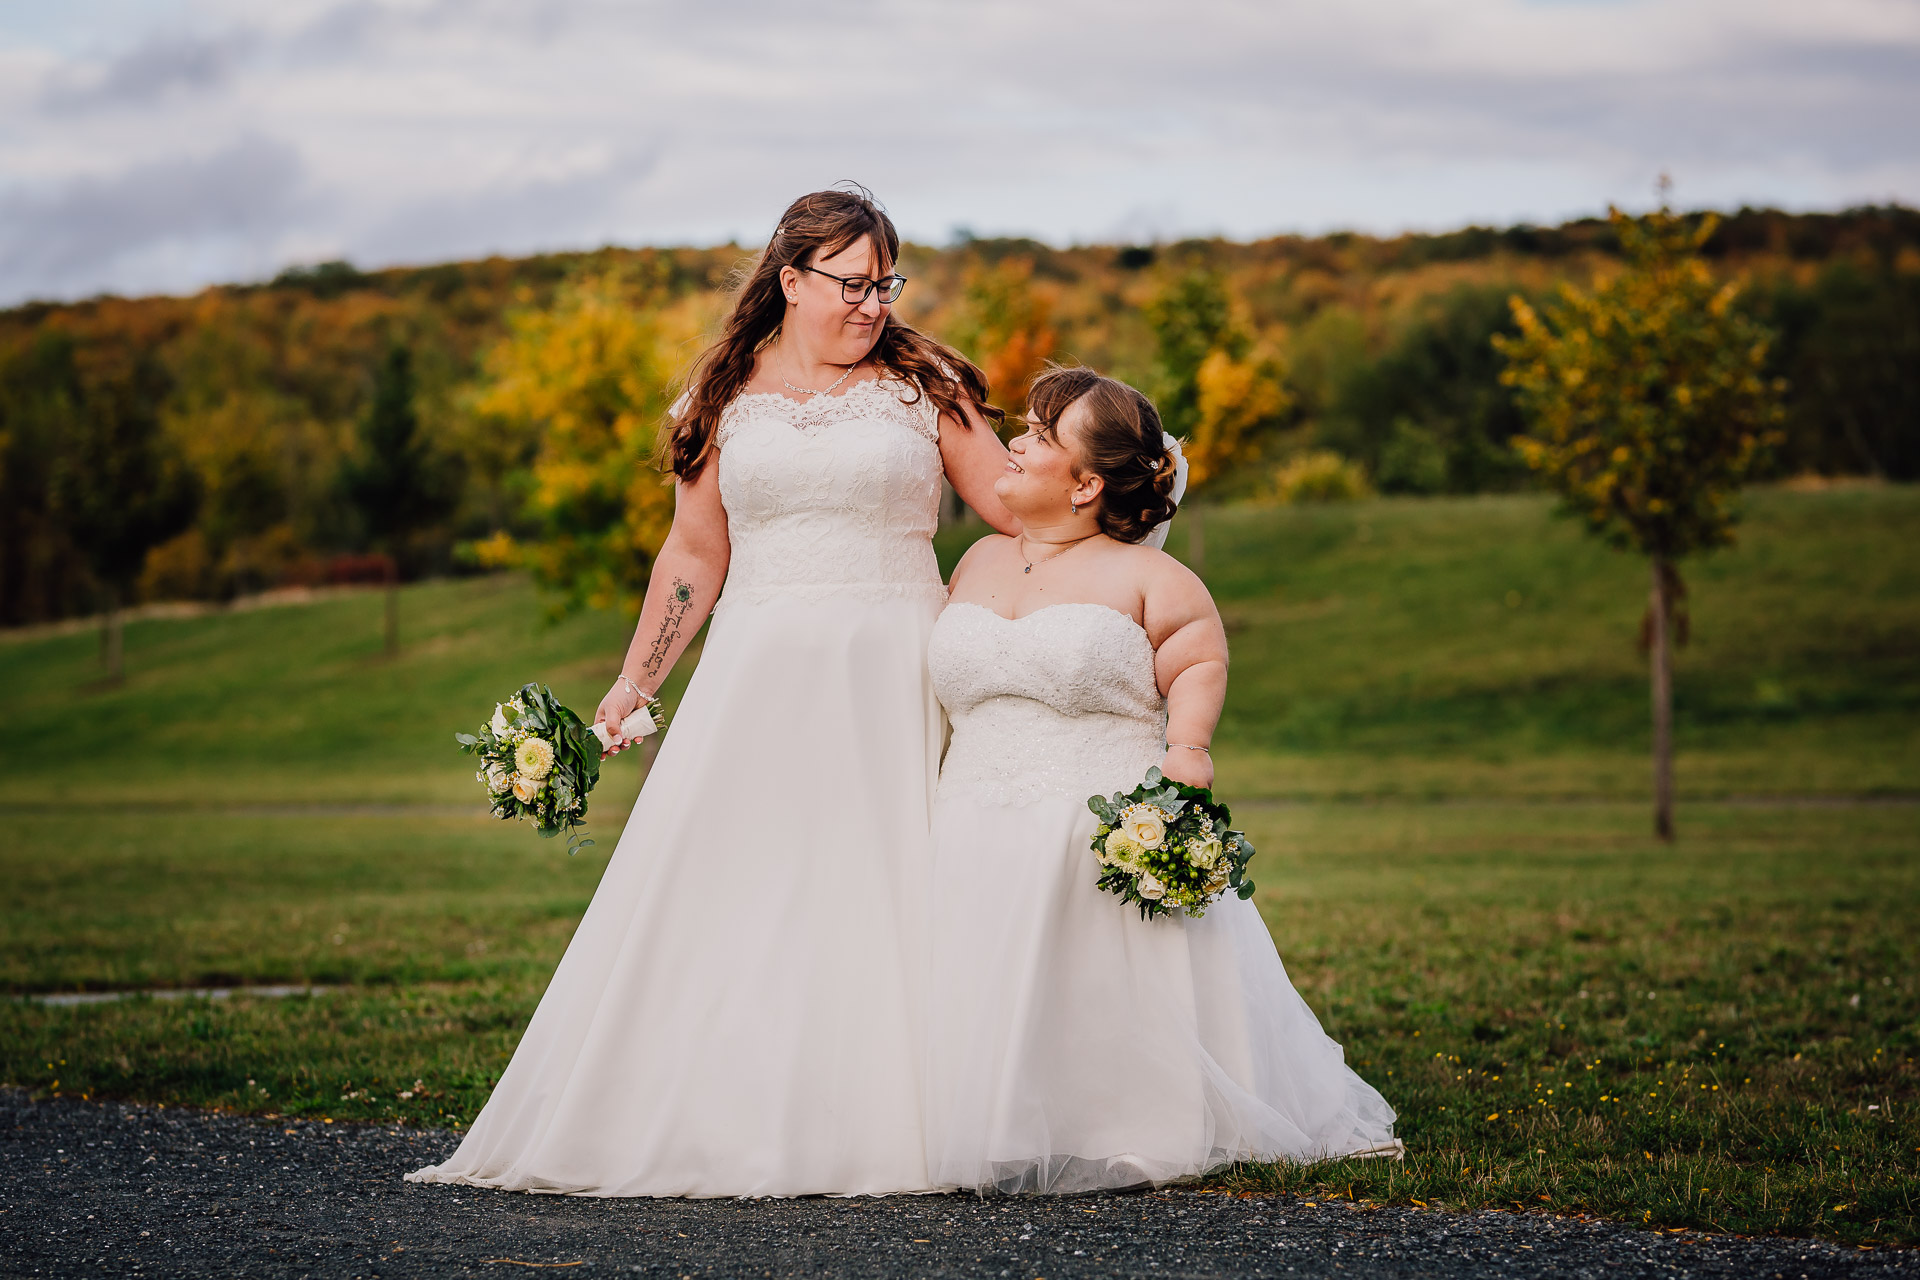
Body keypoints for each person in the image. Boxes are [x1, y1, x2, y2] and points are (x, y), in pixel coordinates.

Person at [407, 186, 1017, 1197]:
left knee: (888, 880)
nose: (874, 304)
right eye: (853, 284)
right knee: (750, 882)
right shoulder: (720, 397)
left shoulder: (928, 386)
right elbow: (695, 553)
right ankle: (730, 1106)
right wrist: (635, 680)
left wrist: (1120, 489)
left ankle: (898, 1113)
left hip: (896, 664)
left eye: (886, 284)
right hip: (758, 671)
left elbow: (1005, 501)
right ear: (789, 278)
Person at [923, 366, 1401, 1194]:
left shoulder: (1149, 578)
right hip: (971, 813)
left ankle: (1123, 1120)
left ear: (1084, 484)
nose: (1015, 443)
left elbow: (1197, 657)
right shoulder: (975, 561)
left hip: (1093, 816)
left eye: (1039, 438)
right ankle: (984, 1117)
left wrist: (1188, 751)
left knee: (1105, 980)